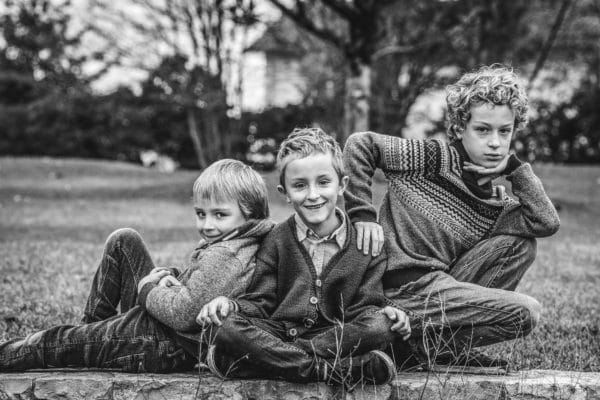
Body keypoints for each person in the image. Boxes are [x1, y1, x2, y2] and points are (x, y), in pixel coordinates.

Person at [342, 65, 560, 372]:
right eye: (483, 130)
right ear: (459, 128)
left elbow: (545, 222)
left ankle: (423, 349)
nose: (495, 143)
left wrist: (516, 169)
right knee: (527, 312)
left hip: (442, 288)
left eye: (504, 131)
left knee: (522, 246)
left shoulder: (495, 205)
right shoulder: (431, 158)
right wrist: (362, 214)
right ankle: (419, 346)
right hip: (400, 289)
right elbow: (360, 145)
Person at [0, 159, 274, 372]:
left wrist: (146, 289)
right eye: (200, 214)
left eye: (219, 215)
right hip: (160, 329)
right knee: (124, 242)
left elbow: (183, 314)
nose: (206, 225)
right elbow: (203, 286)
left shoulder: (227, 254)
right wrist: (173, 277)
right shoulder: (241, 239)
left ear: (249, 213)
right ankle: (92, 334)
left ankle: (81, 341)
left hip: (161, 344)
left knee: (52, 342)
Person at [197, 128, 411, 387]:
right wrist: (232, 305)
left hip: (334, 335)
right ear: (285, 192)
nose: (312, 195)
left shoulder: (365, 241)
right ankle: (328, 370)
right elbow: (261, 302)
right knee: (222, 327)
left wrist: (387, 312)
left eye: (323, 182)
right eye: (299, 186)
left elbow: (365, 307)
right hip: (280, 330)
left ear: (341, 185)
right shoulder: (277, 239)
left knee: (383, 325)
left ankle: (274, 361)